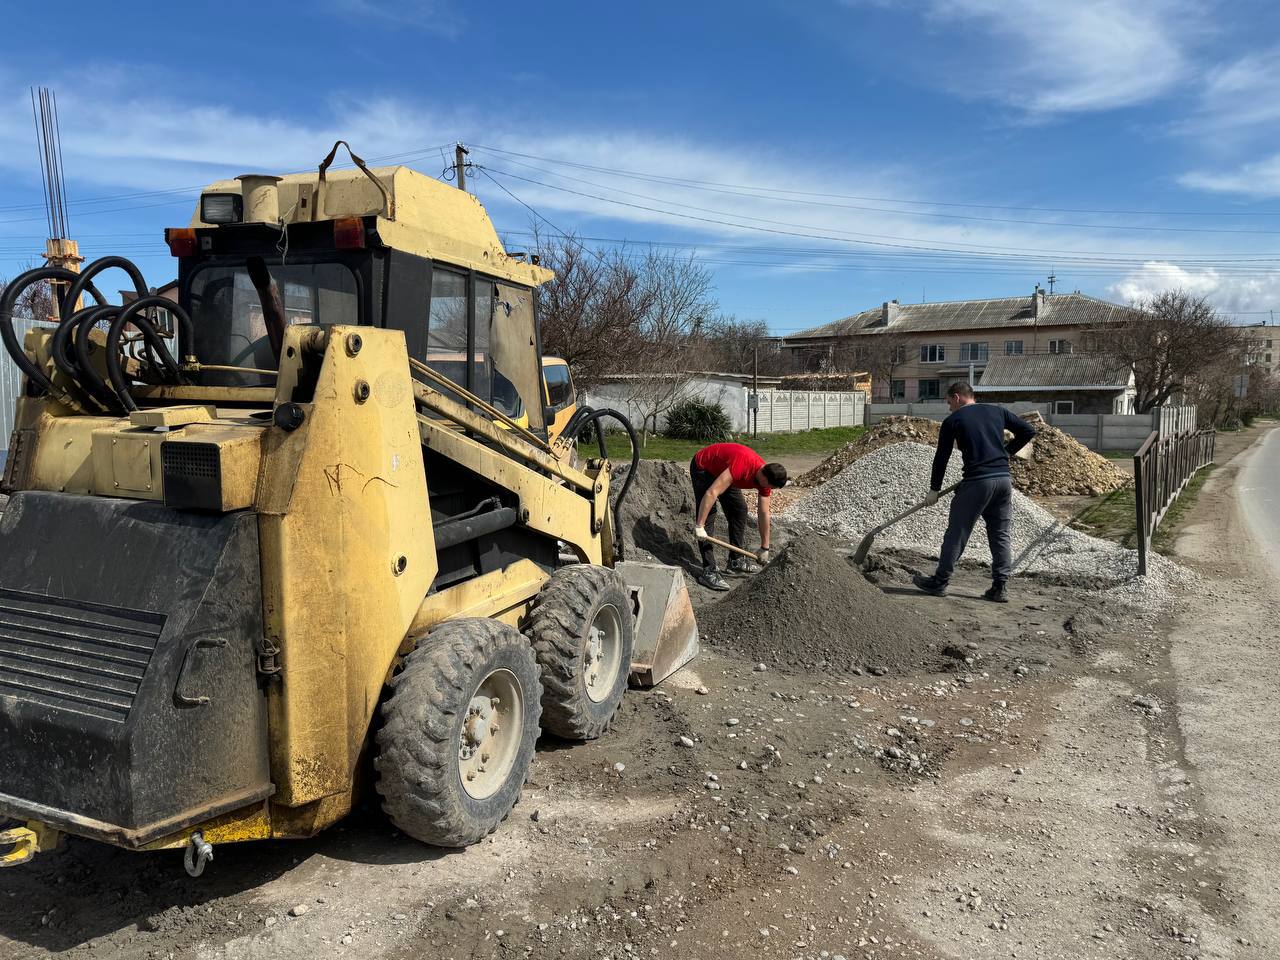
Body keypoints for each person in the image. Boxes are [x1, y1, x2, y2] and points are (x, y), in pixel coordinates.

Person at [912, 382, 1036, 603]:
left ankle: (939, 582)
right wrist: (1006, 452)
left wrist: (934, 489)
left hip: (978, 482)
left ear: (957, 397)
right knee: (1000, 534)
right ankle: (1000, 587)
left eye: (949, 402)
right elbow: (1028, 430)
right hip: (1003, 482)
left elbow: (942, 457)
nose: (949, 407)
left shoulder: (954, 421)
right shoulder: (997, 411)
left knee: (957, 533)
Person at [689, 442, 788, 591]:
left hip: (724, 471)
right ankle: (708, 570)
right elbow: (711, 493)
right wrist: (699, 525)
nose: (769, 490)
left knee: (739, 510)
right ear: (765, 478)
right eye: (771, 487)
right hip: (704, 467)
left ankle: (735, 560)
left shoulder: (765, 480)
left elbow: (764, 513)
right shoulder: (742, 466)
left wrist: (765, 547)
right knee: (709, 514)